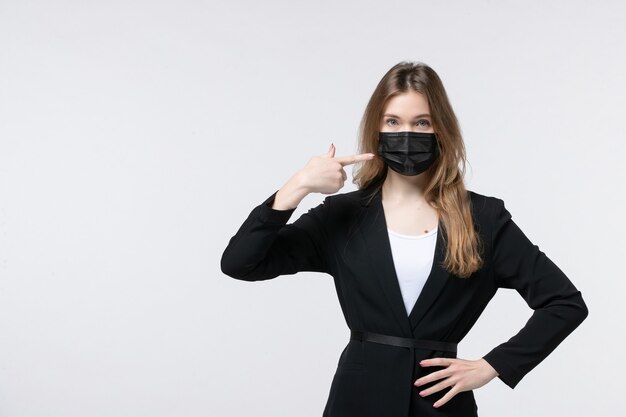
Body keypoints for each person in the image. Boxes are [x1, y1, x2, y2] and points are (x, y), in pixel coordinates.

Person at [220, 61, 589, 417]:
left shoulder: (483, 218)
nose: (406, 134)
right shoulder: (342, 216)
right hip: (358, 399)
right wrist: (297, 186)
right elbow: (241, 263)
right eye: (393, 122)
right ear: (376, 131)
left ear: (440, 130)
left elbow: (564, 303)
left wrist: (493, 365)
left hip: (441, 405)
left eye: (422, 122)